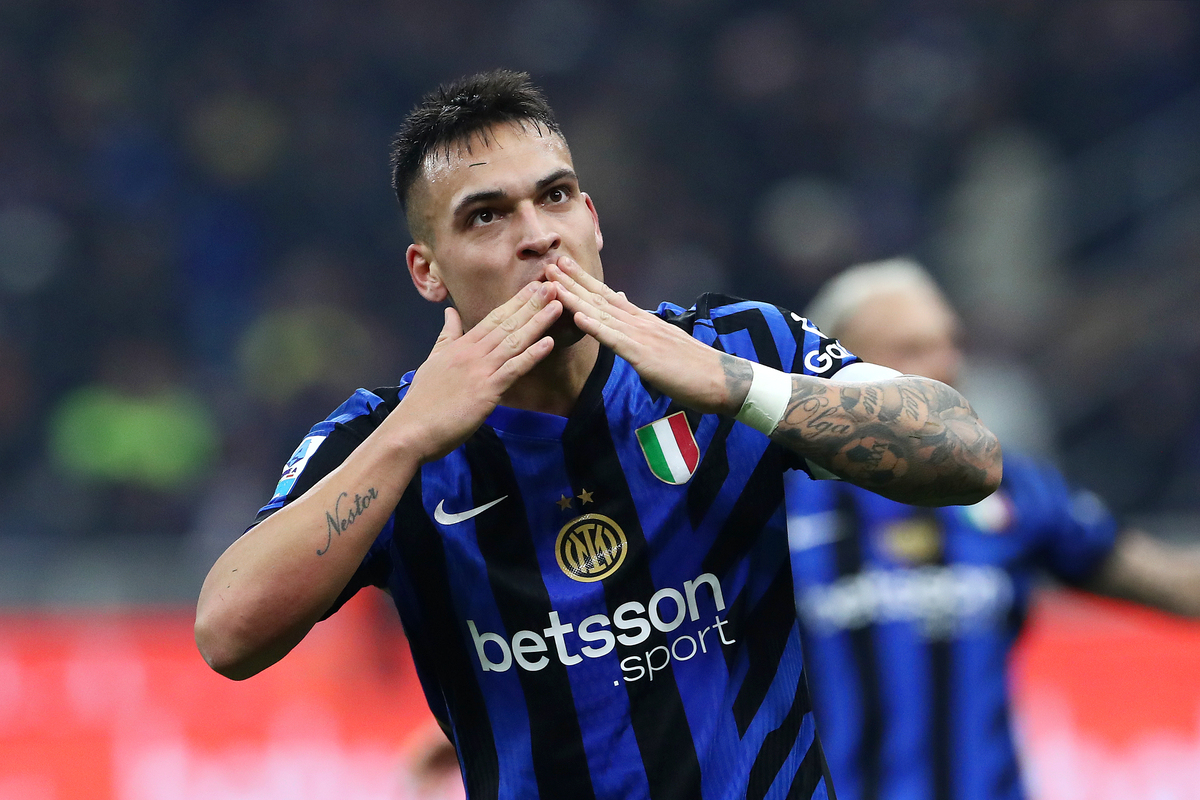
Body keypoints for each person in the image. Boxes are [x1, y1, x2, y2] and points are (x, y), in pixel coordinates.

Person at [194, 70, 1002, 800]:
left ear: (592, 217)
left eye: (555, 196)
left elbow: (969, 455)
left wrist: (733, 387)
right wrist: (409, 438)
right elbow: (228, 630)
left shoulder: (738, 349)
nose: (537, 234)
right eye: (487, 216)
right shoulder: (386, 436)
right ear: (427, 271)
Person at [785, 257, 1200, 800]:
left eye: (950, 344)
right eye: (911, 349)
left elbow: (1174, 584)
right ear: (834, 369)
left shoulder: (1012, 490)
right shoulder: (771, 500)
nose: (945, 367)